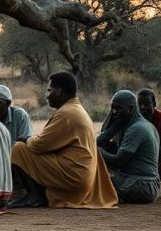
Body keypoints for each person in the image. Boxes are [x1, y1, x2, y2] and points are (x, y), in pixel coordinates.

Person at [11, 71, 118, 208]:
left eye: (49, 90)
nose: (47, 95)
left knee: (19, 148)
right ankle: (40, 194)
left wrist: (26, 139)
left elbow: (40, 144)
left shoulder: (66, 113)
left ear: (59, 92)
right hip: (83, 174)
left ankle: (34, 195)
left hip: (75, 176)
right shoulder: (76, 109)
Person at [97, 90, 160, 204]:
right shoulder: (131, 123)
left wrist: (98, 151)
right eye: (113, 108)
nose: (114, 112)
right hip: (143, 183)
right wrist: (114, 126)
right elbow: (100, 141)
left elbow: (118, 161)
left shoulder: (136, 128)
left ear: (131, 109)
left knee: (94, 178)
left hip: (143, 185)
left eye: (119, 108)